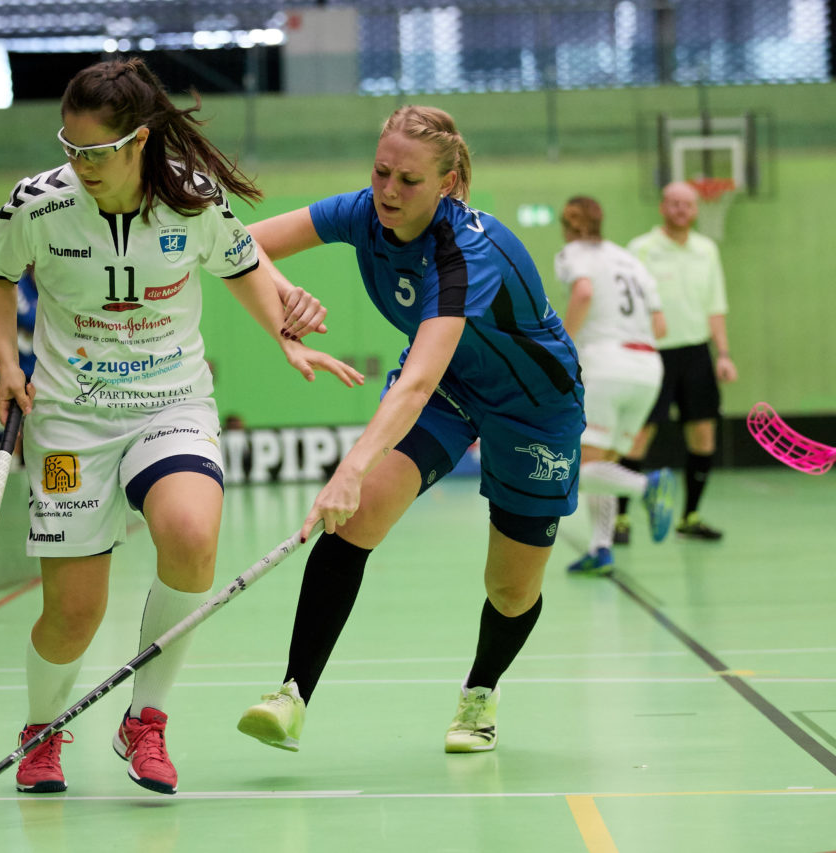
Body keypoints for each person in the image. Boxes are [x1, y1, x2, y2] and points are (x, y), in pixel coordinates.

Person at [0, 57, 363, 797]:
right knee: (74, 611)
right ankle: (42, 730)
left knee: (190, 537)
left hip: (170, 403)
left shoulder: (191, 201)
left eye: (95, 152)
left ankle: (145, 719)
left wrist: (282, 331)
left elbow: (243, 262)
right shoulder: (37, 205)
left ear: (140, 140)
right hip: (67, 427)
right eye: (70, 147)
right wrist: (5, 361)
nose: (80, 164)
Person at [235, 105, 584, 758]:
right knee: (359, 516)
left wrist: (348, 466)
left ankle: (482, 688)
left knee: (510, 586)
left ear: (447, 183)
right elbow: (237, 246)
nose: (389, 191)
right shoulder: (363, 213)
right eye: (381, 172)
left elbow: (415, 383)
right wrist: (284, 298)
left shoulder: (465, 253)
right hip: (453, 387)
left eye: (409, 181)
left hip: (532, 405)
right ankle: (292, 694)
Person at [554, 196, 677, 575]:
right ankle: (601, 548)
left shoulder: (574, 253)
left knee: (580, 469)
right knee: (605, 464)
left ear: (568, 224)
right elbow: (661, 327)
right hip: (648, 367)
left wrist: (565, 343)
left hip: (607, 364)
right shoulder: (631, 260)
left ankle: (647, 486)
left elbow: (585, 292)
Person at [617, 181, 738, 542]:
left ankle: (691, 515)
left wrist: (724, 355)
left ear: (697, 209)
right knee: (638, 435)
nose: (681, 209)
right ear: (662, 207)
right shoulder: (641, 249)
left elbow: (716, 308)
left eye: (688, 204)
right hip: (652, 354)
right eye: (674, 203)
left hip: (697, 352)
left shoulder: (707, 250)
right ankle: (621, 519)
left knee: (703, 434)